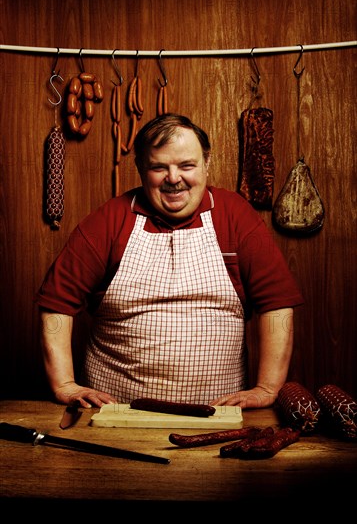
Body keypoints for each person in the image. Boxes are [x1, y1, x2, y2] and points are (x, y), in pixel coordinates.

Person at [35, 113, 304, 410]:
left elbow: (277, 304)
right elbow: (57, 303)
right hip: (116, 415)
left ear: (206, 163)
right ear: (140, 168)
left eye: (186, 165)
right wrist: (64, 384)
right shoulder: (110, 220)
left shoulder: (235, 217)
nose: (174, 179)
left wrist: (267, 388)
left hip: (216, 417)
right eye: (159, 167)